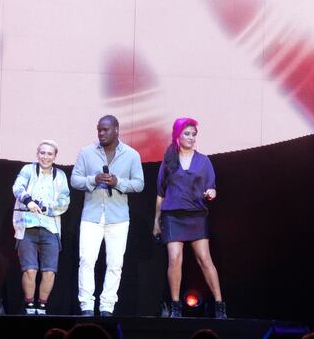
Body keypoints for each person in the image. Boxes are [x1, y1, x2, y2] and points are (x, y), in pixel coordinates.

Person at [153, 117, 226, 319]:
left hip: (196, 215)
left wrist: (211, 193)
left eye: (194, 134)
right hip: (172, 215)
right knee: (175, 260)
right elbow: (160, 193)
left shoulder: (204, 161)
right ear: (177, 136)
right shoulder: (169, 160)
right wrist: (156, 222)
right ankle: (175, 306)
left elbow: (212, 188)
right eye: (187, 134)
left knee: (204, 259)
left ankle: (220, 305)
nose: (191, 138)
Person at [71, 115, 144, 316]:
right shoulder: (87, 152)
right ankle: (86, 305)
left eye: (105, 130)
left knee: (115, 264)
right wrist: (93, 179)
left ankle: (107, 307)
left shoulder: (131, 155)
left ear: (117, 130)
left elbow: (139, 184)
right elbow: (75, 180)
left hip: (118, 218)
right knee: (86, 260)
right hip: (91, 216)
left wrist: (118, 182)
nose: (101, 133)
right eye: (99, 130)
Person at [13, 140, 70, 315]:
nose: (45, 157)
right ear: (37, 154)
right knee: (30, 269)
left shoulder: (60, 175)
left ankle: (42, 306)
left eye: (49, 154)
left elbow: (65, 200)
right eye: (42, 153)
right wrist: (28, 201)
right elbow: (17, 187)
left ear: (55, 157)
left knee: (49, 271)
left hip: (50, 228)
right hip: (27, 226)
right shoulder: (28, 170)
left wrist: (46, 208)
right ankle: (29, 306)